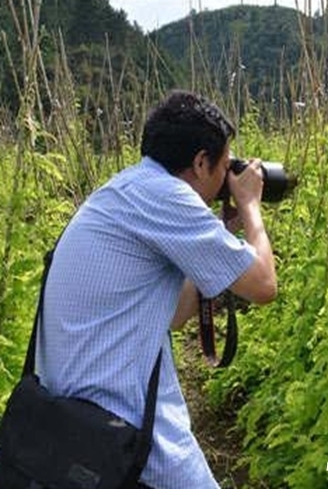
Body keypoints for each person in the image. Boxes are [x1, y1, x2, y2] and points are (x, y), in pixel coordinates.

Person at [37, 90, 277, 488]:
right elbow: (264, 284)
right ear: (201, 162)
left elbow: (177, 316)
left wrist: (220, 236)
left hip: (72, 432)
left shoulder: (123, 191)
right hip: (123, 439)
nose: (226, 181)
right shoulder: (169, 197)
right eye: (223, 168)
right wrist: (251, 207)